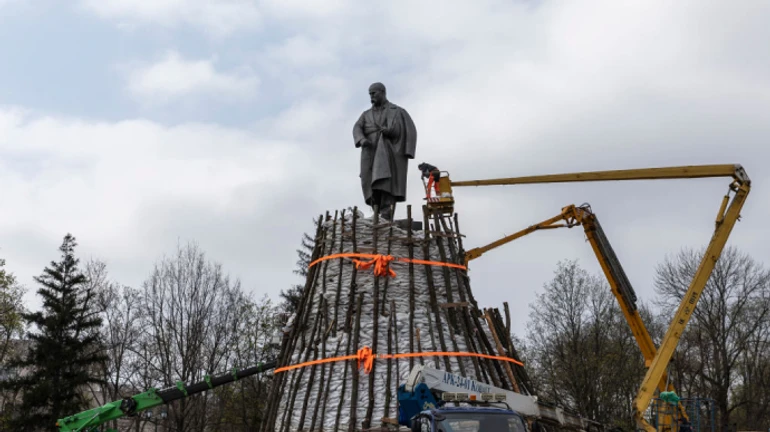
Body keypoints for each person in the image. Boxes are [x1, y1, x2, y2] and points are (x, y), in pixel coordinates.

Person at [353, 82, 417, 220]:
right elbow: (357, 127)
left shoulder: (397, 111)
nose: (371, 96)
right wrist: (362, 139)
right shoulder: (366, 115)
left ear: (382, 92)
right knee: (370, 183)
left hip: (390, 152)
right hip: (370, 152)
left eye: (374, 93)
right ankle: (376, 212)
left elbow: (409, 131)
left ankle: (386, 213)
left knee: (387, 182)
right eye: (370, 94)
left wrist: (393, 132)